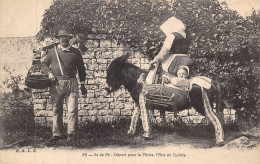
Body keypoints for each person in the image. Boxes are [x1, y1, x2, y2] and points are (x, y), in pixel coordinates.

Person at [41, 27, 87, 142]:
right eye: (62, 37)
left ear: (69, 39)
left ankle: (71, 134)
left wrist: (82, 84)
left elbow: (81, 69)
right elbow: (43, 65)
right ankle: (57, 134)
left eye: (66, 37)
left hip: (72, 82)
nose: (64, 40)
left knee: (72, 109)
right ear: (58, 39)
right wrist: (49, 73)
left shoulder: (75, 52)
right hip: (57, 83)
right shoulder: (52, 52)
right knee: (57, 108)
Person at [146, 16, 194, 84]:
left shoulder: (171, 36)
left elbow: (164, 51)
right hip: (186, 61)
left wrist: (155, 59)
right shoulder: (184, 37)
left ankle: (152, 85)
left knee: (156, 66)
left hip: (174, 62)